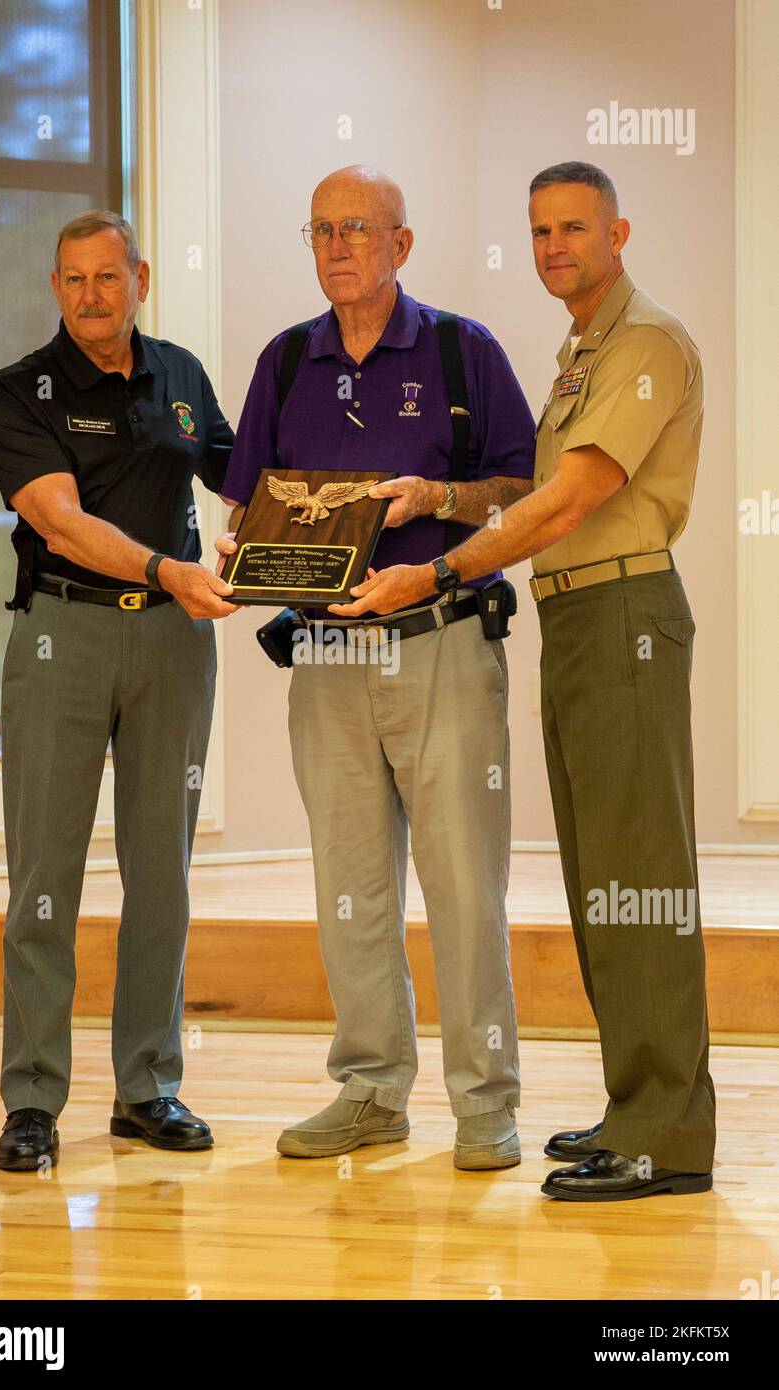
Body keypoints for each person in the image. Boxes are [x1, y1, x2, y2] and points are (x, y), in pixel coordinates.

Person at [338, 162, 715, 1202]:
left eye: (572, 229)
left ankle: (666, 1135)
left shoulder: (645, 346)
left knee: (642, 878)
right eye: (539, 230)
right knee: (604, 876)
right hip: (579, 619)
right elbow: (530, 492)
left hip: (624, 611)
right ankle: (635, 1107)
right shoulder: (577, 356)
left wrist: (440, 564)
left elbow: (572, 500)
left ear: (616, 233)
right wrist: (443, 495)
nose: (553, 247)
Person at [217, 165, 535, 1169]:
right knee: (349, 886)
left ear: (401, 244)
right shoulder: (283, 359)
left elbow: (520, 496)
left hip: (438, 644)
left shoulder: (458, 350)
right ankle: (367, 1091)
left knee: (462, 888)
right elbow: (247, 504)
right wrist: (247, 551)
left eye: (357, 228)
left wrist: (433, 496)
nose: (337, 246)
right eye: (319, 230)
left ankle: (484, 1105)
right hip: (323, 654)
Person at [0, 210, 238, 1171]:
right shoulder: (18, 390)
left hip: (174, 644)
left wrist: (280, 535)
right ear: (57, 289)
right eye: (73, 280)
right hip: (66, 635)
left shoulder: (180, 374)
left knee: (161, 867)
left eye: (108, 276)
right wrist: (168, 569)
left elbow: (238, 475)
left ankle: (148, 1086)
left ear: (140, 277)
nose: (93, 295)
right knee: (43, 876)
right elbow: (59, 519)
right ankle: (34, 1099)